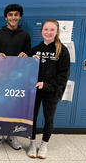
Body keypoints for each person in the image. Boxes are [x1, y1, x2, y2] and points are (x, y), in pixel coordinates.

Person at [0, 4, 31, 150]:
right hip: (0, 77)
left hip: (18, 78)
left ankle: (13, 135)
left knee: (14, 106)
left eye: (16, 14)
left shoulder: (25, 35)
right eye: (10, 14)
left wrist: (25, 55)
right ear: (6, 17)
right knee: (0, 106)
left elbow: (29, 58)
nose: (13, 17)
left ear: (20, 17)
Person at [27, 19, 70, 159]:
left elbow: (63, 76)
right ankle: (32, 143)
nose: (48, 32)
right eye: (46, 29)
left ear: (57, 32)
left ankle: (44, 145)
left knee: (48, 119)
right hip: (35, 92)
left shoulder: (62, 51)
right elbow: (27, 73)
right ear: (41, 31)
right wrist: (31, 62)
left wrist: (47, 85)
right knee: (31, 118)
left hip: (52, 92)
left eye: (52, 30)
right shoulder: (35, 50)